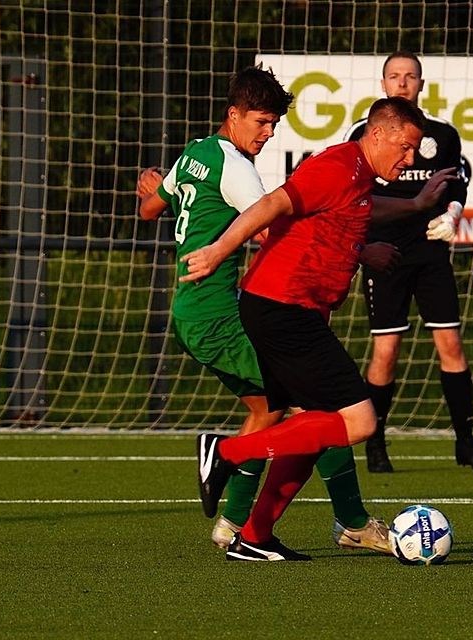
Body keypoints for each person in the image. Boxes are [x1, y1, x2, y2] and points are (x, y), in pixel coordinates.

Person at [136, 66, 398, 555]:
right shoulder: (235, 167)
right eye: (261, 121)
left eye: (274, 123)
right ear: (233, 115)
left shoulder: (195, 153)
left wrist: (151, 186)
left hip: (192, 310)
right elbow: (271, 229)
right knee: (320, 408)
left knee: (269, 409)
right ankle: (351, 519)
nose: (269, 132)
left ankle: (234, 525)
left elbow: (150, 209)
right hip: (219, 313)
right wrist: (359, 252)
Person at [181, 96, 433, 561]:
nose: (410, 157)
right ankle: (226, 453)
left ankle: (254, 535)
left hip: (290, 309)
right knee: (358, 420)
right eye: (405, 146)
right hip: (283, 308)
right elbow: (276, 203)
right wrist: (218, 251)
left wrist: (370, 245)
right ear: (377, 134)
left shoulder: (358, 176)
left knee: (315, 425)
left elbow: (336, 218)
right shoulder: (340, 165)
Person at [343, 51, 473, 473]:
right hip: (384, 254)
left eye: (410, 76)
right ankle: (376, 444)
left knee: (451, 344)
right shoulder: (361, 133)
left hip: (431, 253)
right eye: (395, 76)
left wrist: (453, 215)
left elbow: (456, 185)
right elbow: (353, 189)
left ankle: (466, 440)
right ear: (383, 84)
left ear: (421, 84)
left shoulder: (442, 134)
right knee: (386, 350)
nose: (403, 83)